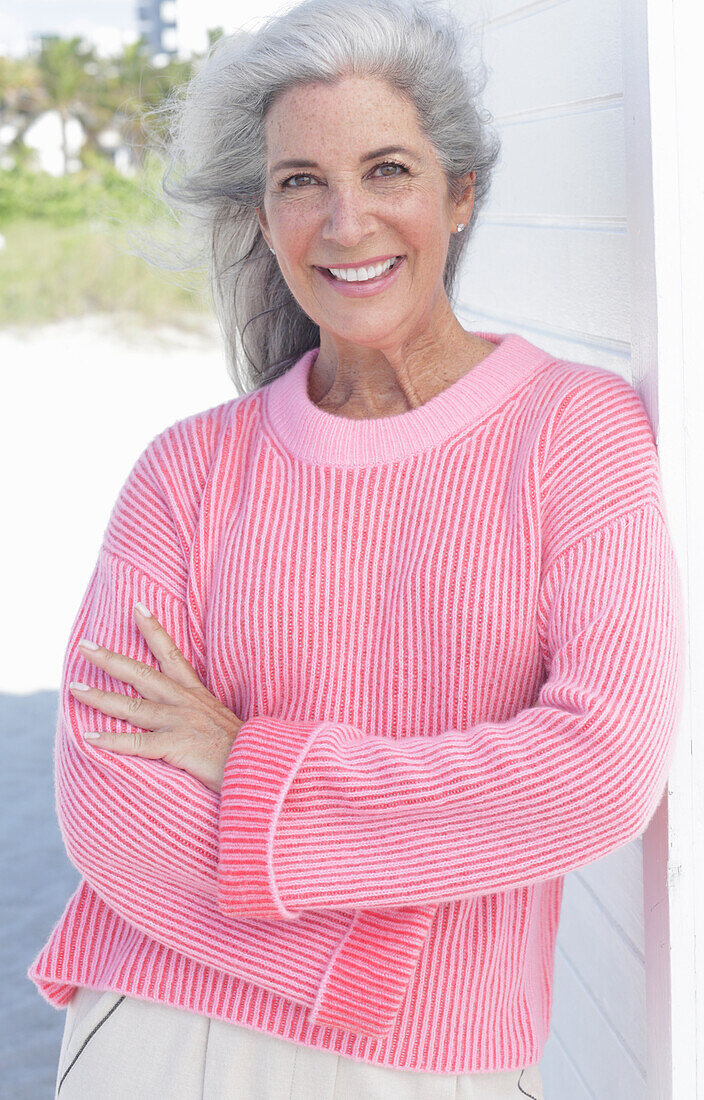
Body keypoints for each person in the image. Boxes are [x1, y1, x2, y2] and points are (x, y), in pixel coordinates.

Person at [28, 0, 685, 1097]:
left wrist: (251, 760)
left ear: (459, 191)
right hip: (165, 1035)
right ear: (261, 211)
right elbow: (110, 797)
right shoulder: (187, 470)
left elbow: (596, 772)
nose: (345, 222)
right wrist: (362, 951)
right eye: (300, 181)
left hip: (443, 1069)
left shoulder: (571, 431)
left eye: (387, 170)